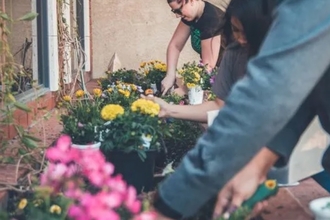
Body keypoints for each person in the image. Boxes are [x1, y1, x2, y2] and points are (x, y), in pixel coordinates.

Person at [151, 0, 330, 219]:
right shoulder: (237, 48)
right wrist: (259, 164)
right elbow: (302, 94)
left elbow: (264, 95)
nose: (240, 39)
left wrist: (169, 204)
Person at [161, 0, 227, 95]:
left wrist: (184, 90)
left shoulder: (212, 19)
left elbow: (207, 67)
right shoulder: (192, 16)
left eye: (179, 10)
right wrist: (170, 76)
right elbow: (175, 45)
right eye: (174, 11)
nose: (177, 15)